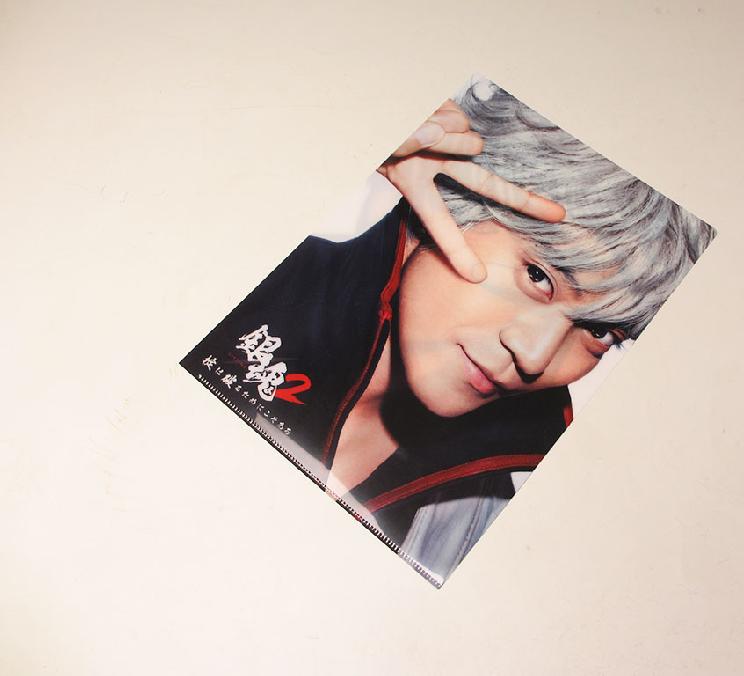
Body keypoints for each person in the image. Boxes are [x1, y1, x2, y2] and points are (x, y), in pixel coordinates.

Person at [180, 79, 716, 586]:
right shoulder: (260, 277)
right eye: (537, 276)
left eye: (599, 329)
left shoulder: (519, 495)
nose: (534, 356)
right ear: (456, 198)